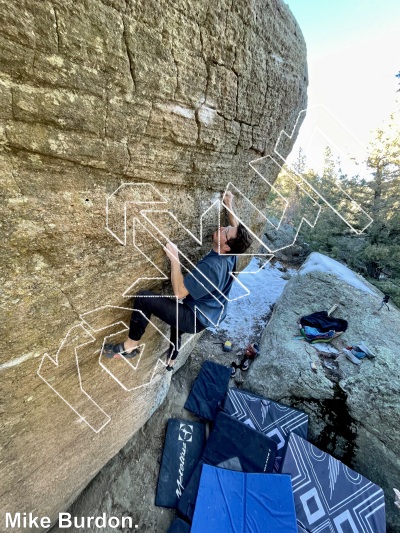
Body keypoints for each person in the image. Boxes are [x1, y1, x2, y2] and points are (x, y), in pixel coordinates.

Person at [103, 191, 252, 370]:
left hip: (196, 317)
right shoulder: (233, 252)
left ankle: (129, 346)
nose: (222, 228)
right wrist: (229, 205)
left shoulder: (213, 266)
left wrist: (175, 258)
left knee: (145, 299)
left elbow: (180, 291)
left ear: (226, 246)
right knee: (176, 317)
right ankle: (173, 356)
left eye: (225, 231)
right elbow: (235, 226)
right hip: (212, 310)